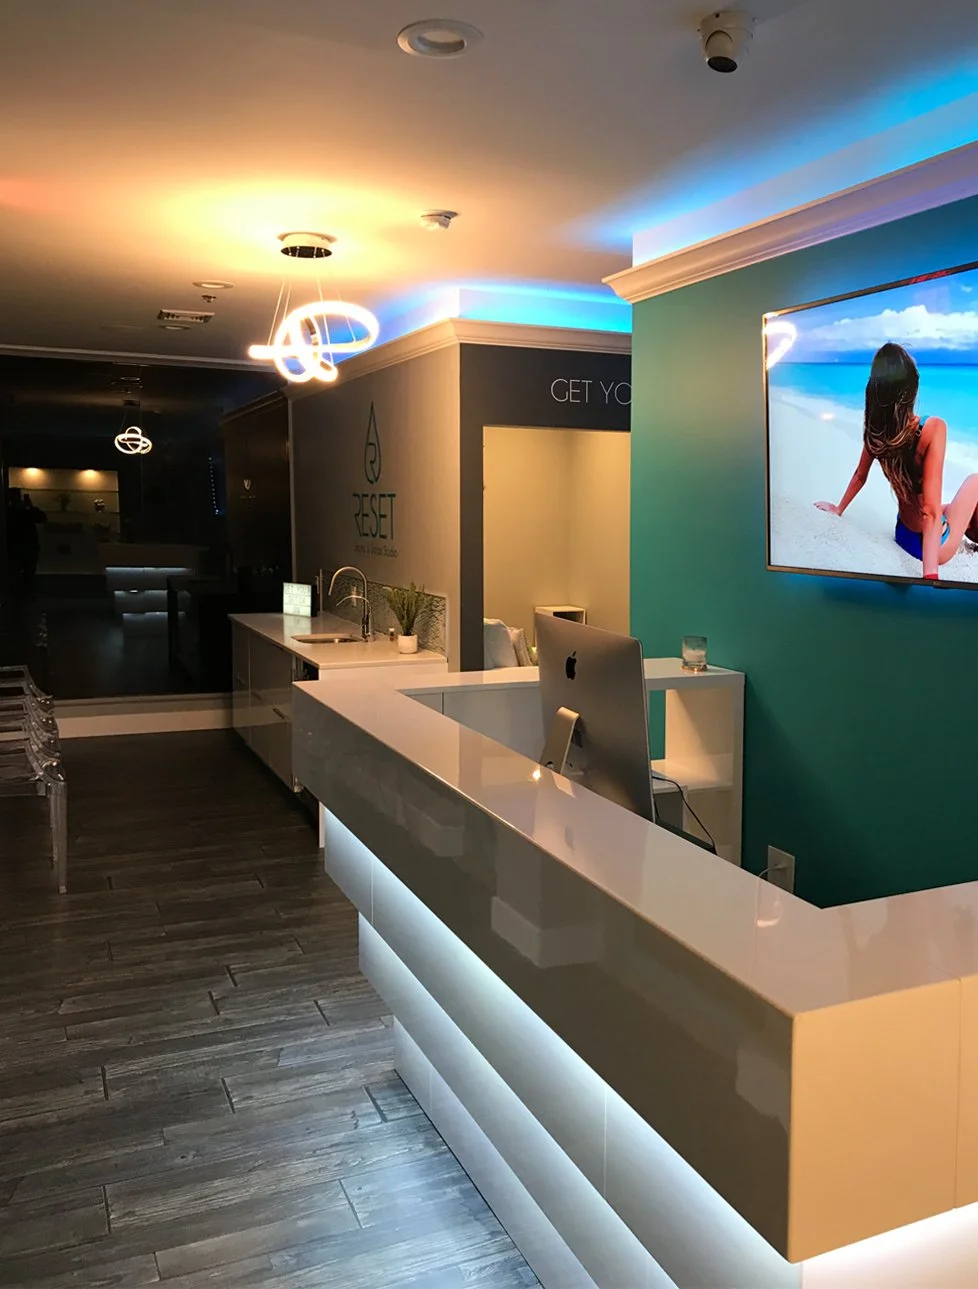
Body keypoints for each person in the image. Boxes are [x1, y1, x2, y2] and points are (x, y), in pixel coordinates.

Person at [815, 343, 978, 581]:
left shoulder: (876, 431)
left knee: (956, 508)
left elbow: (860, 475)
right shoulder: (931, 429)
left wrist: (839, 509)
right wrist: (930, 576)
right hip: (932, 547)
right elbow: (930, 513)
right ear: (910, 390)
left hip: (902, 533)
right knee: (975, 482)